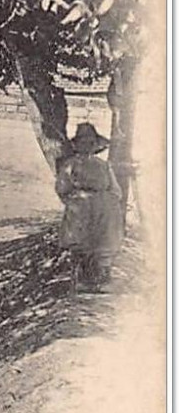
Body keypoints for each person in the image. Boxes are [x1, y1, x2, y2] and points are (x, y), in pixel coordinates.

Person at [55, 122, 124, 290]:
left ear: (95, 145)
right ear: (77, 145)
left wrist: (106, 202)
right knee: (81, 243)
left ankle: (102, 280)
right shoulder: (71, 165)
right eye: (83, 143)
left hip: (103, 210)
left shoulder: (103, 165)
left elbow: (115, 190)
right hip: (81, 208)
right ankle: (82, 280)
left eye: (91, 143)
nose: (87, 146)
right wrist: (77, 200)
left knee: (103, 244)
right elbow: (62, 188)